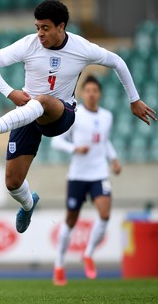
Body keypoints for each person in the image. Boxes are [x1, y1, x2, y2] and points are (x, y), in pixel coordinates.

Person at [0, 0, 156, 235]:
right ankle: (28, 204)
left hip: (60, 114)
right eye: (37, 27)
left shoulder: (81, 48)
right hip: (27, 115)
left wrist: (134, 99)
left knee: (43, 100)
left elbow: (117, 61)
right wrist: (10, 92)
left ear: (61, 26)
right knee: (12, 183)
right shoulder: (29, 44)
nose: (40, 34)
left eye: (45, 28)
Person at [50, 75, 121, 286]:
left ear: (99, 94)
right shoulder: (76, 115)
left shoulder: (107, 116)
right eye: (88, 90)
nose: (91, 94)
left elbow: (105, 141)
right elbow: (56, 142)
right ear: (82, 93)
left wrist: (114, 158)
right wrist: (75, 148)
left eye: (95, 91)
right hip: (78, 176)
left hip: (99, 174)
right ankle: (59, 265)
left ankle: (88, 254)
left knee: (105, 213)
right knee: (71, 220)